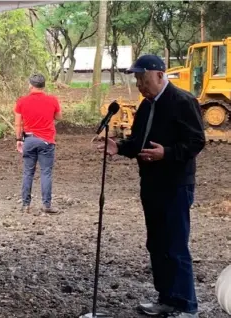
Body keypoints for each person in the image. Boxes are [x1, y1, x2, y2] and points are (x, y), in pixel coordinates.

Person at [99, 55, 205, 318]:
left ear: (159, 74)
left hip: (176, 185)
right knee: (156, 243)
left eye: (142, 79)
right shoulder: (145, 107)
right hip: (151, 184)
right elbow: (138, 142)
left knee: (175, 245)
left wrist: (166, 153)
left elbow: (196, 141)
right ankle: (165, 298)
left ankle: (186, 305)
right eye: (136, 80)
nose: (139, 85)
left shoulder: (183, 101)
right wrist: (119, 147)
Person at [14, 74, 62, 214]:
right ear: (43, 86)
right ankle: (46, 205)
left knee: (28, 172)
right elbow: (59, 117)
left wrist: (18, 140)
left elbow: (18, 123)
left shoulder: (21, 101)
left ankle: (25, 205)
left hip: (29, 140)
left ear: (30, 85)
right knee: (46, 172)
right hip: (46, 141)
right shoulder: (52, 100)